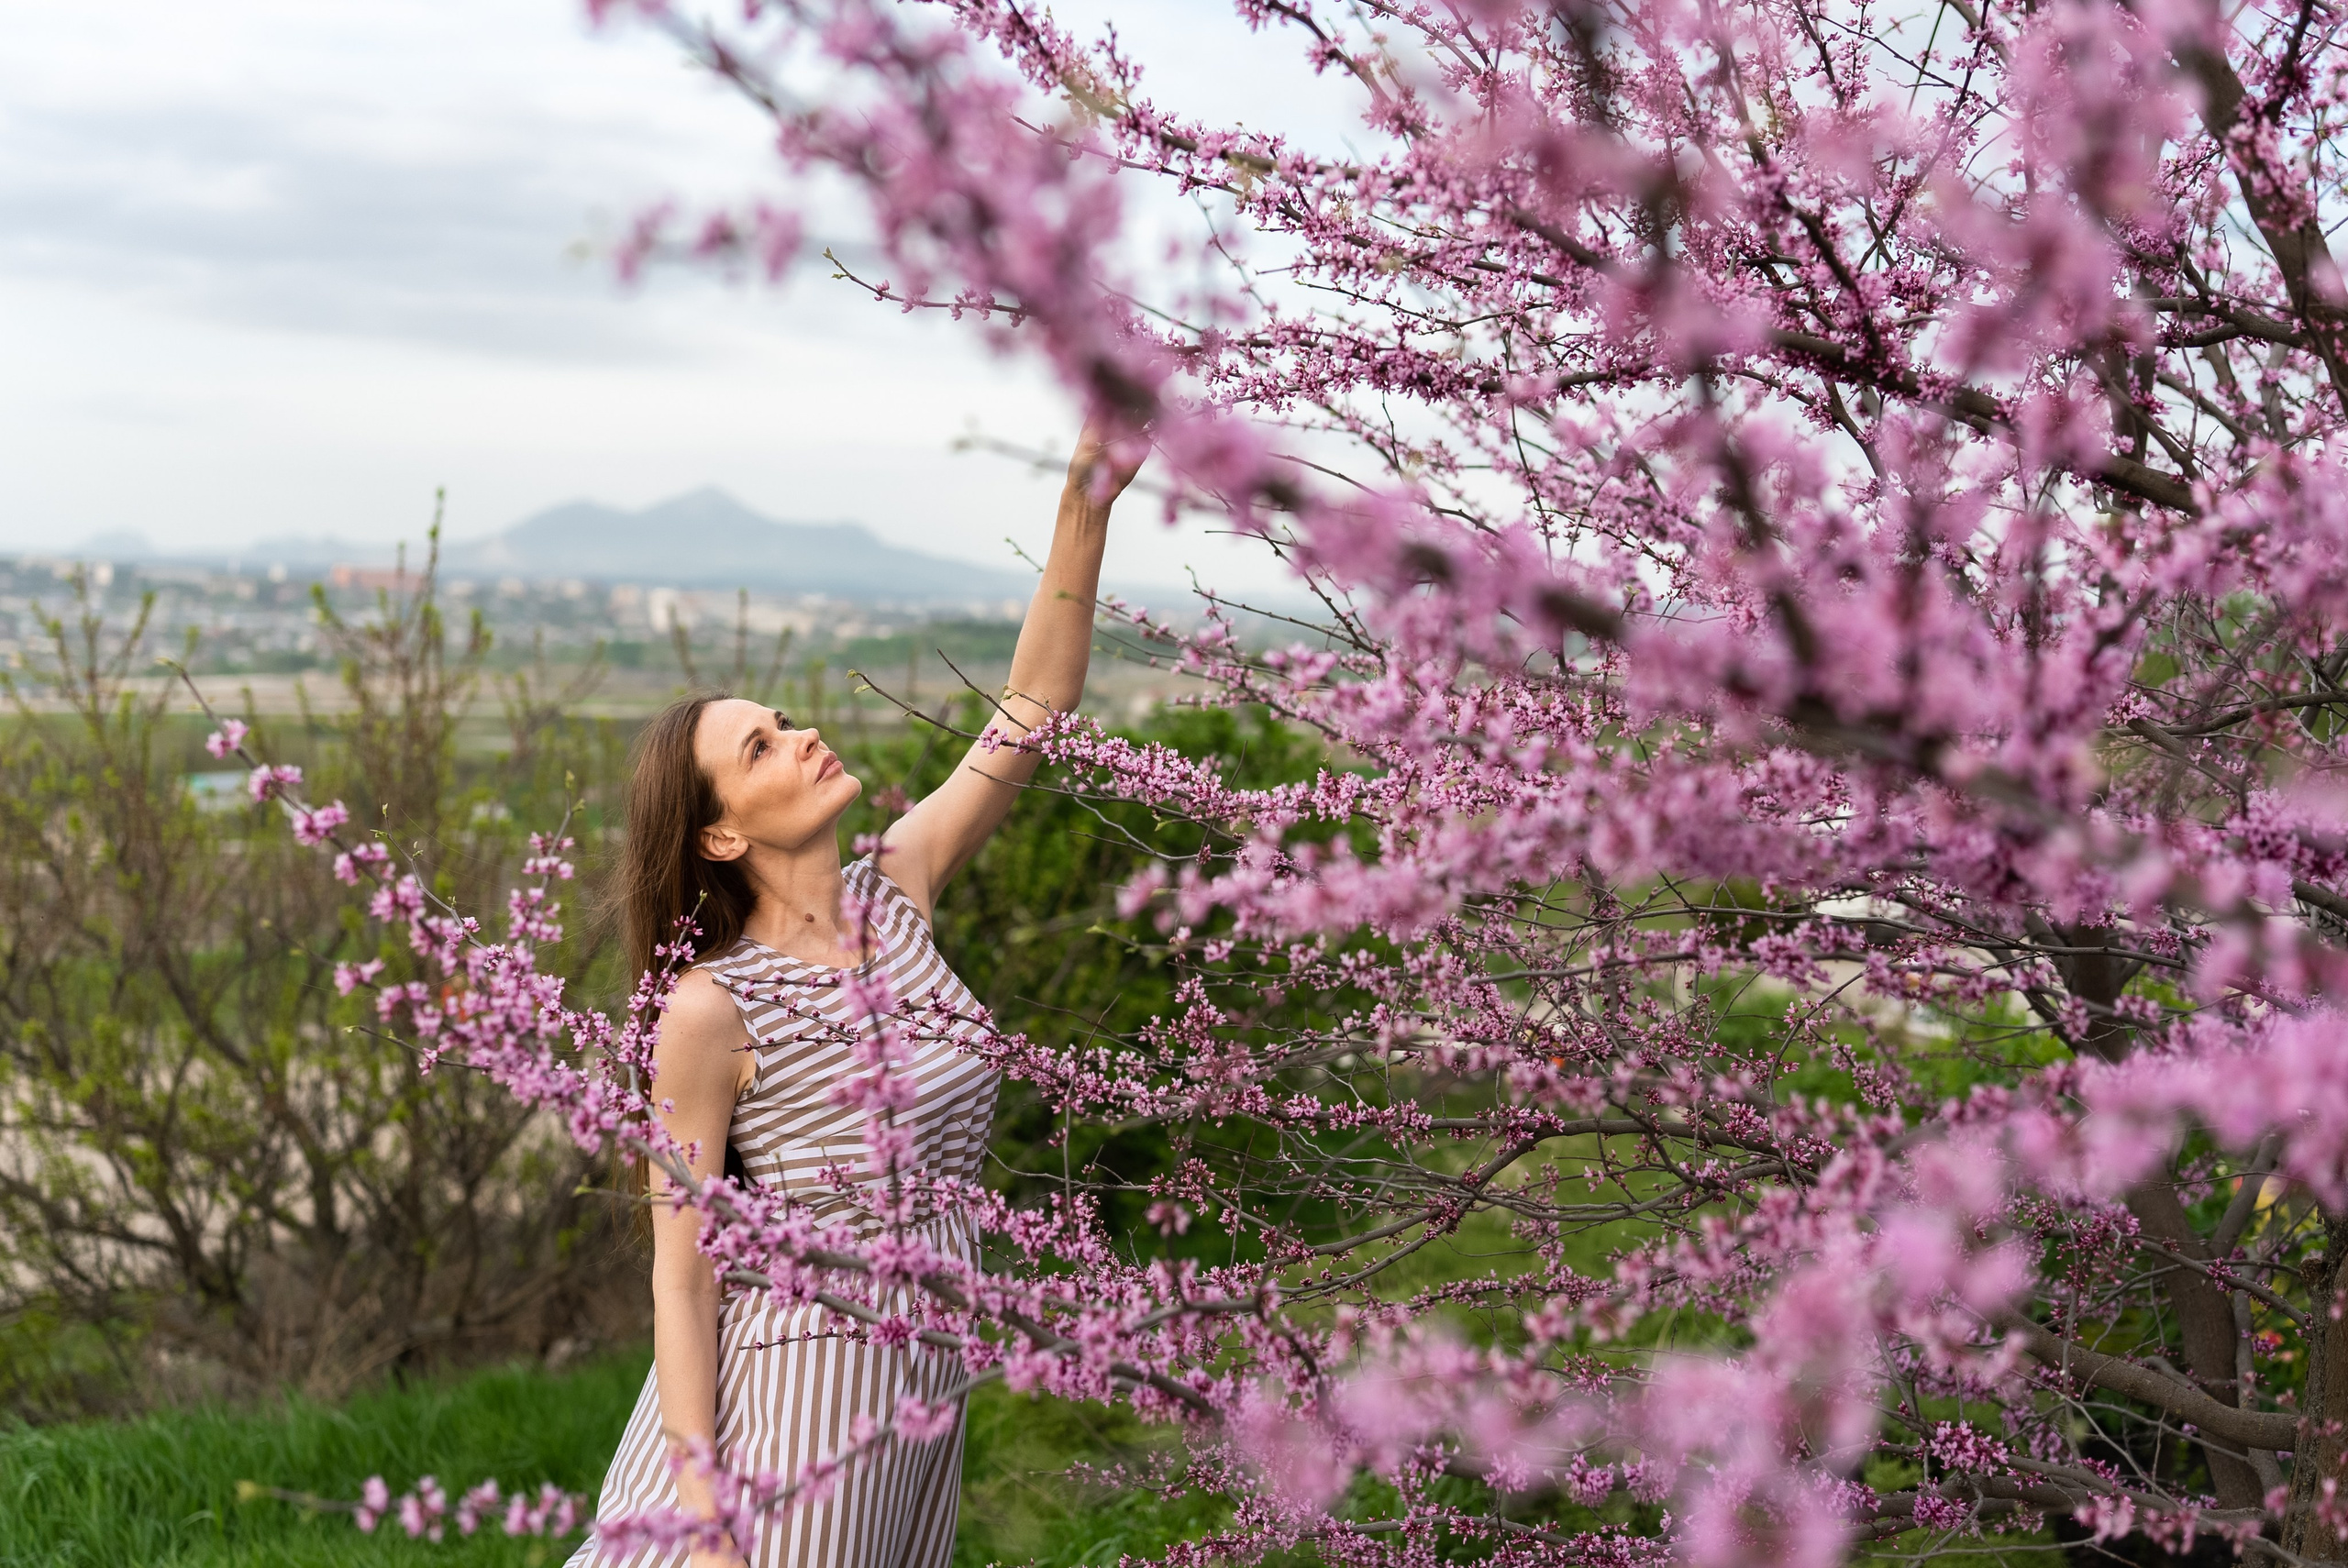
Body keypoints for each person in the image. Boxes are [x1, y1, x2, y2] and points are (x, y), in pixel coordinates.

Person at [569, 424, 1142, 1568]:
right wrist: (707, 1512)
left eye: (785, 721)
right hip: (797, 1406)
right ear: (721, 832)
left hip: (924, 1384)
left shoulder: (899, 890)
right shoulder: (711, 1009)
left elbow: (1034, 699)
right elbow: (681, 1278)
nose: (804, 736)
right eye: (763, 746)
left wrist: (1088, 500)